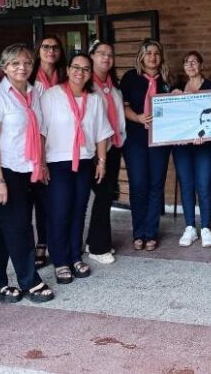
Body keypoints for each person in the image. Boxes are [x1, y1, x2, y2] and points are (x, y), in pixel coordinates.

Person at [0, 44, 54, 305]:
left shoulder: (34, 94)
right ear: (4, 68)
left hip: (27, 170)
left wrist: (42, 163)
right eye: (14, 64)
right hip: (3, 171)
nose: (21, 67)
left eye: (26, 63)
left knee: (1, 228)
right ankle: (29, 281)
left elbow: (41, 131)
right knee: (20, 227)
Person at [41, 53, 112, 284]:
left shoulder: (94, 99)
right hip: (57, 162)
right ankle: (60, 260)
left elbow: (102, 132)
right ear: (68, 69)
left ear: (90, 73)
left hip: (84, 161)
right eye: (76, 67)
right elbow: (41, 132)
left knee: (79, 211)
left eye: (85, 69)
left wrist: (101, 161)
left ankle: (74, 256)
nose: (80, 72)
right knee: (60, 212)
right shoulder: (51, 96)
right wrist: (41, 163)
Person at [120, 39, 173, 251]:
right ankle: (138, 232)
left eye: (156, 53)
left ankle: (151, 232)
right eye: (148, 53)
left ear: (161, 57)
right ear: (141, 56)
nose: (153, 57)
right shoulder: (130, 78)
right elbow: (122, 107)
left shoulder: (168, 81)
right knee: (139, 185)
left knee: (156, 185)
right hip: (136, 139)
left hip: (160, 141)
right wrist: (138, 118)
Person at [27, 35, 67, 269]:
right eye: (46, 47)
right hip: (34, 143)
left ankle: (57, 242)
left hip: (60, 144)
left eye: (55, 47)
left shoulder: (64, 77)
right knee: (40, 198)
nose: (50, 51)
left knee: (58, 199)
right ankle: (42, 242)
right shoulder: (30, 76)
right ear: (38, 50)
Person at [85, 41, 126, 264]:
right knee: (102, 195)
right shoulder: (86, 85)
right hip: (93, 150)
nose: (106, 58)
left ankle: (94, 240)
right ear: (92, 56)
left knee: (106, 195)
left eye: (110, 54)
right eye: (101, 53)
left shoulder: (112, 84)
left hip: (113, 147)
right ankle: (99, 248)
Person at [172, 51, 211, 248]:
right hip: (182, 147)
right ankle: (190, 226)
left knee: (204, 184)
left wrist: (205, 133)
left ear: (201, 65)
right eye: (186, 62)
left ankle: (205, 226)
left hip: (204, 146)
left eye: (194, 61)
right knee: (186, 185)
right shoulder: (176, 89)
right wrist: (173, 99)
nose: (190, 65)